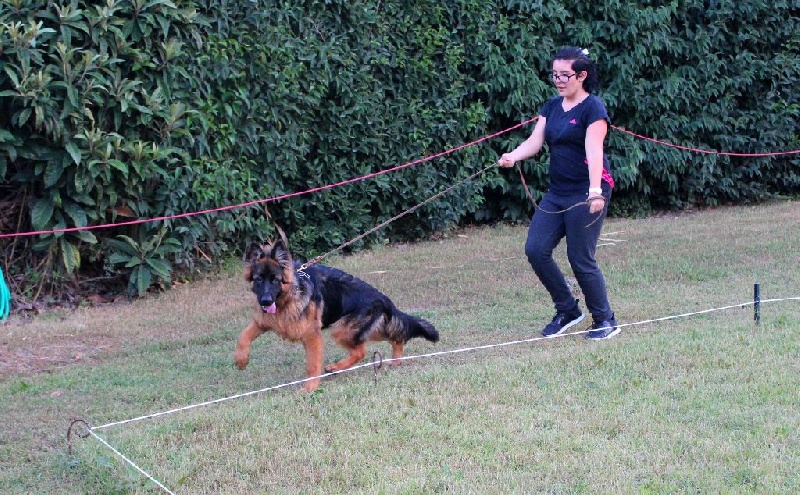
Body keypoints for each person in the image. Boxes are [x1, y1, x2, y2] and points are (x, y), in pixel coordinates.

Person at [497, 46, 620, 340]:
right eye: (555, 75)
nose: (559, 80)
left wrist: (594, 192)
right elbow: (536, 141)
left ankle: (605, 320)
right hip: (558, 192)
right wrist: (513, 155)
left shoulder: (594, 109)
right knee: (536, 249)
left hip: (588, 191)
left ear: (581, 75)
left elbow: (594, 150)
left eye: (565, 75)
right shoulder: (552, 106)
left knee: (580, 257)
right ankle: (568, 310)